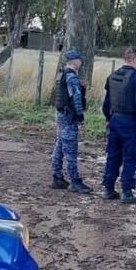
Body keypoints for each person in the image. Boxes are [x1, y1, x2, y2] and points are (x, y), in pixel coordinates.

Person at [102, 47, 136, 203]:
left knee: (113, 155)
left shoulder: (113, 76)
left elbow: (106, 103)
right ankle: (126, 191)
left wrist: (109, 118)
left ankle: (109, 189)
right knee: (131, 156)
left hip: (114, 120)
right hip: (130, 122)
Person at [51, 50, 92, 193]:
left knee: (59, 146)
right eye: (80, 59)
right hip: (69, 116)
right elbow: (76, 98)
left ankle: (57, 177)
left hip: (61, 114)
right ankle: (75, 181)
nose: (81, 62)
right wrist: (80, 116)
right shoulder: (72, 77)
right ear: (75, 61)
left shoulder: (62, 74)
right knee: (71, 149)